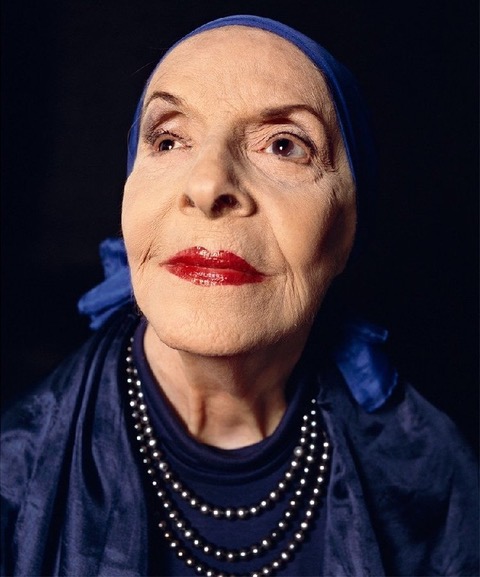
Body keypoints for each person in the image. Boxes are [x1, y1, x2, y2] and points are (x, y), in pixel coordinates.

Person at [1, 14, 478, 577]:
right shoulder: (14, 477)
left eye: (283, 145)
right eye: (169, 139)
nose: (208, 186)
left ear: (347, 229)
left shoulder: (436, 481)